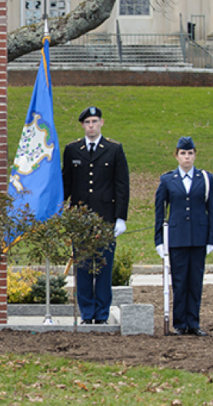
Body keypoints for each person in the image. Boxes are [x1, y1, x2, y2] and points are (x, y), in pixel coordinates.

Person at [62, 106, 130, 324]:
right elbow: (67, 183)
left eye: (94, 121)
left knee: (102, 267)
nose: (91, 126)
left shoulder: (114, 149)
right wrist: (57, 207)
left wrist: (120, 217)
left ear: (102, 123)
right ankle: (87, 312)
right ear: (82, 125)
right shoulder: (72, 150)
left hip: (105, 218)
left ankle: (102, 313)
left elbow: (121, 185)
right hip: (80, 219)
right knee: (82, 268)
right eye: (87, 122)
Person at [154, 136, 213, 337]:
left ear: (194, 155)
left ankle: (194, 322)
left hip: (198, 237)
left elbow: (212, 210)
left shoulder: (205, 179)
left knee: (195, 281)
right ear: (176, 156)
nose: (187, 157)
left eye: (190, 153)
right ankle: (180, 323)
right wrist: (159, 240)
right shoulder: (167, 180)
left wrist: (211, 239)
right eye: (183, 153)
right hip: (177, 237)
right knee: (180, 282)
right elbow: (160, 212)